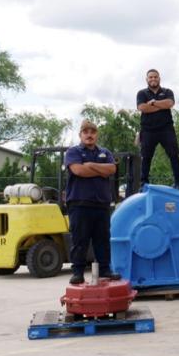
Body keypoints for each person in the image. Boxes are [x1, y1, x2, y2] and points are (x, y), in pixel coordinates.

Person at [64, 120, 121, 284]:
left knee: (102, 240)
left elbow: (112, 169)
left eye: (93, 132)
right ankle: (78, 272)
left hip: (101, 204)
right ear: (80, 135)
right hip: (79, 203)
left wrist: (90, 165)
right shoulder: (73, 152)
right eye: (86, 132)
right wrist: (100, 170)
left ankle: (105, 269)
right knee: (79, 240)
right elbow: (78, 170)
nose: (89, 135)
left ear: (97, 135)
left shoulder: (105, 152)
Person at [136, 69, 179, 189]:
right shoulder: (141, 93)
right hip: (148, 130)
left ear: (159, 78)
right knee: (146, 157)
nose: (153, 79)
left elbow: (170, 103)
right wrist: (160, 105)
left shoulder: (167, 91)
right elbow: (142, 107)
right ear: (147, 79)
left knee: (174, 155)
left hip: (166, 129)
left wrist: (153, 103)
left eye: (155, 77)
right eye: (151, 77)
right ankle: (143, 183)